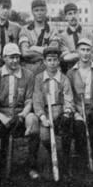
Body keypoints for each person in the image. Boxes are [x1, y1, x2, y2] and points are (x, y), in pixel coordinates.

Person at [0, 44, 40, 184]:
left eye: (17, 57)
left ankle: (31, 167)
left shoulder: (28, 75)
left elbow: (28, 101)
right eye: (11, 58)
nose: (14, 61)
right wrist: (2, 118)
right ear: (4, 58)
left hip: (20, 114)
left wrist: (22, 115)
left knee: (33, 120)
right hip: (0, 114)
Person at [32, 45, 78, 178]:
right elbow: (37, 100)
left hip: (60, 112)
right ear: (45, 62)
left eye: (55, 60)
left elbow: (69, 99)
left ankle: (66, 159)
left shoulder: (64, 79)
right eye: (49, 60)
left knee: (67, 129)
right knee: (45, 137)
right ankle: (54, 156)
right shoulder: (39, 79)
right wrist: (42, 117)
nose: (52, 63)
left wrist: (67, 111)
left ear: (59, 62)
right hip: (46, 113)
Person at [66, 38, 93, 170]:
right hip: (78, 109)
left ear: (92, 52)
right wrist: (76, 110)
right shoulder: (71, 72)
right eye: (82, 50)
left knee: (91, 123)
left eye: (88, 50)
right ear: (77, 52)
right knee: (79, 125)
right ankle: (82, 158)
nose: (85, 53)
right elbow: (69, 95)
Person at [19, 0, 57, 75]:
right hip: (29, 69)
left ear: (46, 11)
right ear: (32, 12)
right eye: (36, 10)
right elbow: (25, 52)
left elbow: (53, 51)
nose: (39, 13)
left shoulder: (52, 30)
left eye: (42, 10)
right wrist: (44, 54)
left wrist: (33, 48)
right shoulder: (25, 30)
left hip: (47, 69)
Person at [57, 2, 93, 72]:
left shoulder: (88, 33)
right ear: (66, 17)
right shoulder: (62, 36)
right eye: (70, 14)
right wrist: (85, 54)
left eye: (75, 13)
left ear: (78, 14)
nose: (73, 16)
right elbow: (66, 57)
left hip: (87, 70)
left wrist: (73, 54)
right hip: (70, 71)